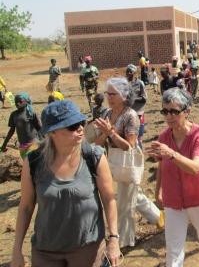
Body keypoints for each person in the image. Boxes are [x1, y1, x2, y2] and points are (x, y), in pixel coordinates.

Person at [10, 100, 121, 267]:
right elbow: (25, 207)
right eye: (72, 126)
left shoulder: (94, 157)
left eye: (81, 123)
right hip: (46, 252)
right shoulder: (33, 162)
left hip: (88, 251)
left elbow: (109, 199)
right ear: (52, 132)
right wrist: (17, 249)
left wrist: (113, 238)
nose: (80, 128)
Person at [147, 88, 199, 267]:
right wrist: (158, 192)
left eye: (174, 111)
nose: (169, 116)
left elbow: (195, 167)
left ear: (187, 112)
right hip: (174, 200)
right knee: (173, 248)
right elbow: (161, 165)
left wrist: (171, 153)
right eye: (165, 111)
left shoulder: (198, 134)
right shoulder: (164, 136)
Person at [94, 77, 163, 248]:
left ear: (124, 96)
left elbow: (129, 146)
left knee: (124, 205)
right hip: (113, 159)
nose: (109, 97)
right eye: (107, 94)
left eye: (113, 94)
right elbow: (98, 142)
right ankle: (158, 217)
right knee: (133, 195)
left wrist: (111, 133)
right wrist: (104, 134)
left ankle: (125, 242)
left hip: (128, 160)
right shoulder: (107, 114)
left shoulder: (131, 116)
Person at [1, 93, 41, 158]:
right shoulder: (13, 115)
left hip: (33, 144)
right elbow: (11, 131)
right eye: (16, 101)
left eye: (20, 101)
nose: (17, 103)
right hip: (22, 146)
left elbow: (40, 128)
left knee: (30, 163)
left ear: (26, 101)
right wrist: (4, 144)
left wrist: (46, 142)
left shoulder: (31, 113)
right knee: (27, 165)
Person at [126, 64, 147, 149]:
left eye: (130, 71)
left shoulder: (140, 83)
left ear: (135, 73)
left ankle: (140, 155)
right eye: (127, 71)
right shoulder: (124, 84)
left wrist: (133, 99)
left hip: (138, 113)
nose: (128, 73)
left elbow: (144, 98)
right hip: (127, 113)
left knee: (139, 138)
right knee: (129, 136)